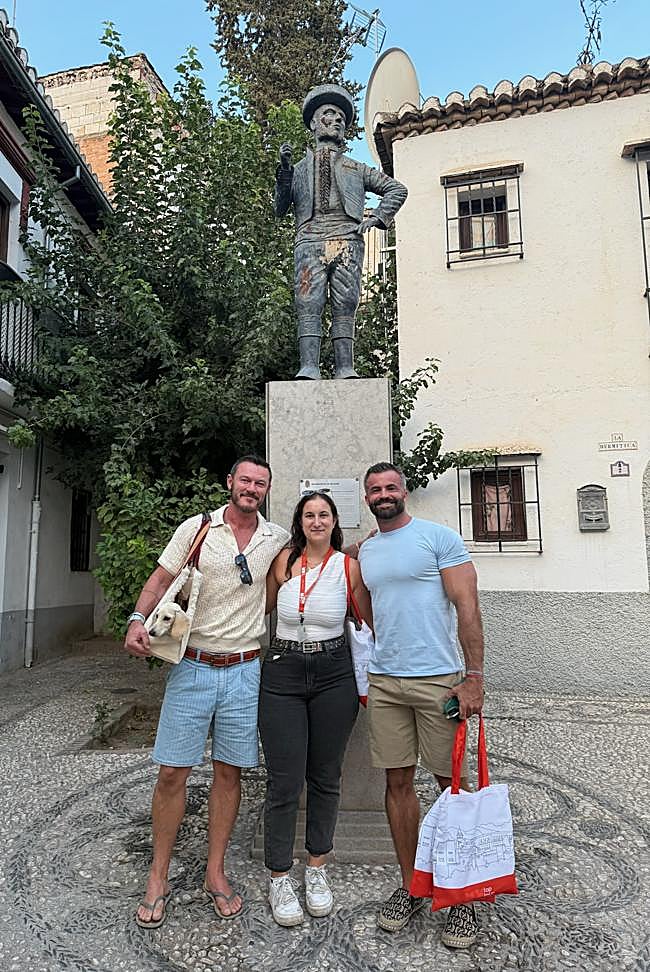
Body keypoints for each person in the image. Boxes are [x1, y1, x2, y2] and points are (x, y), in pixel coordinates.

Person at [124, 455, 289, 928]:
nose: (252, 488)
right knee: (172, 772)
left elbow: (316, 554)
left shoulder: (274, 538)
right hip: (192, 666)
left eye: (260, 483)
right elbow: (160, 579)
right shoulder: (198, 528)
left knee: (229, 774)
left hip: (244, 670)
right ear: (230, 482)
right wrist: (137, 619)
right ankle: (158, 875)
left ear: (266, 490)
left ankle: (214, 872)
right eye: (245, 480)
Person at [357, 461, 485, 950]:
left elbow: (468, 608)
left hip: (439, 683)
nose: (384, 494)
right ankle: (412, 883)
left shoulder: (439, 538)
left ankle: (463, 894)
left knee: (452, 787)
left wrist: (472, 678)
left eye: (391, 487)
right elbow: (367, 605)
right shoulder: (367, 549)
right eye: (375, 489)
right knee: (397, 783)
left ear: (403, 492)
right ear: (366, 497)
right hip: (387, 683)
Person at [259, 490, 372, 926]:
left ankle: (318, 866)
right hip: (283, 671)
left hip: (333, 673)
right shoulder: (284, 562)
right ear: (300, 522)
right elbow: (260, 608)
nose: (317, 521)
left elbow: (368, 621)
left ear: (335, 521)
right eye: (309, 514)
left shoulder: (349, 567)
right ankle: (279, 874)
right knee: (285, 780)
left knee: (325, 776)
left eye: (324, 514)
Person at [274, 83, 408, 380]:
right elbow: (280, 208)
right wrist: (283, 173)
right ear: (313, 122)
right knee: (308, 302)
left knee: (345, 302)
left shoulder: (356, 168)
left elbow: (396, 189)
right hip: (309, 239)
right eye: (328, 114)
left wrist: (378, 219)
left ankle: (345, 367)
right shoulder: (296, 169)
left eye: (340, 118)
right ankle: (308, 366)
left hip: (347, 239)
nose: (335, 120)